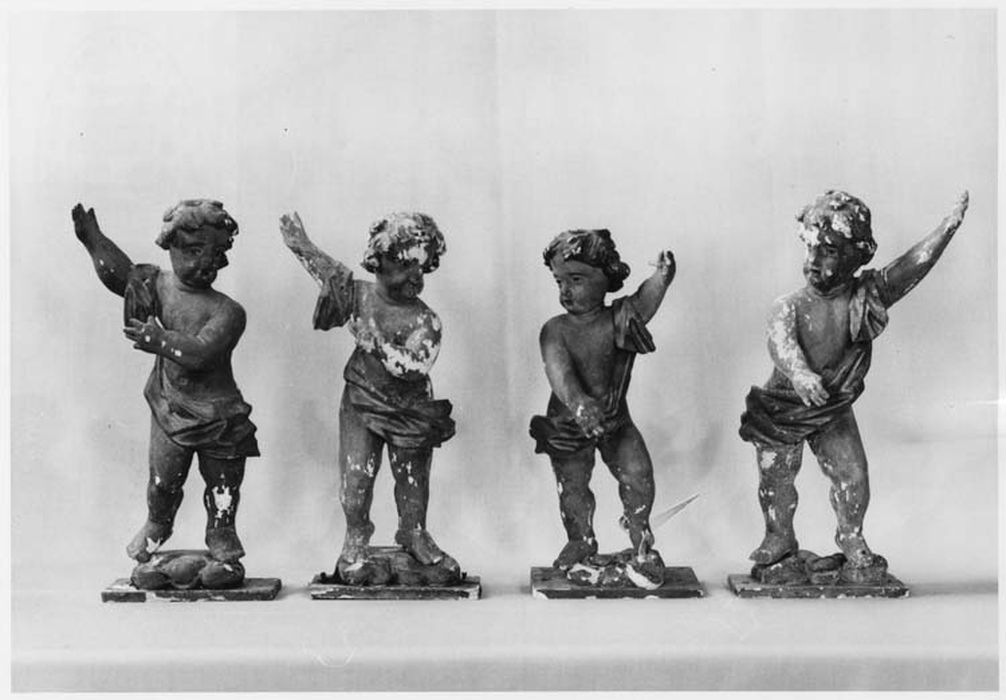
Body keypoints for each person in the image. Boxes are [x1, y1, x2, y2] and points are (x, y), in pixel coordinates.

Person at [739, 189, 969, 570]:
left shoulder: (864, 297)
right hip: (783, 407)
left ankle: (851, 535)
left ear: (857, 255)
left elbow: (909, 268)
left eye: (828, 251)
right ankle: (779, 536)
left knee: (853, 475)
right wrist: (800, 374)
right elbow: (781, 344)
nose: (813, 261)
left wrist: (946, 229)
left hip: (831, 406)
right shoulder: (789, 306)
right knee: (777, 477)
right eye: (810, 248)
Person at [72, 200, 259, 577]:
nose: (205, 261)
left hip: (220, 414)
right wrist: (93, 240)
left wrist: (160, 340)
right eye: (193, 251)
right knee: (163, 481)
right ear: (170, 246)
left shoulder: (228, 311)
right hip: (170, 407)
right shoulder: (157, 285)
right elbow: (122, 277)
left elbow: (203, 352)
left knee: (223, 486)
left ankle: (222, 537)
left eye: (214, 253)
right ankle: (158, 524)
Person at [279, 211, 458, 585]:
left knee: (412, 480)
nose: (415, 277)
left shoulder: (426, 321)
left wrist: (373, 342)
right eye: (404, 265)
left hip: (411, 410)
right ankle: (356, 536)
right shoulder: (358, 296)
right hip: (361, 401)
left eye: (422, 268)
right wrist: (302, 245)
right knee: (355, 480)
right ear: (379, 260)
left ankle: (413, 532)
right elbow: (329, 274)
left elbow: (414, 366)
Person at [530, 229, 676, 569]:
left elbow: (643, 301)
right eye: (559, 281)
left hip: (615, 421)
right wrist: (579, 403)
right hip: (569, 424)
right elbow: (559, 373)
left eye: (576, 279)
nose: (565, 290)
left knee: (638, 473)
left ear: (606, 276)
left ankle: (640, 534)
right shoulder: (555, 330)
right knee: (573, 486)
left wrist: (662, 277)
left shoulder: (620, 318)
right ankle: (580, 540)